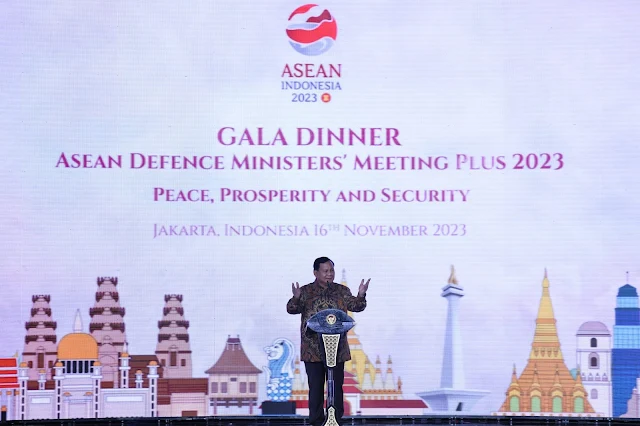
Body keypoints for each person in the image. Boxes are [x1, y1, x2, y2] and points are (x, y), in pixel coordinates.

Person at [287, 256, 370, 426]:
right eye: (325, 271)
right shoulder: (305, 291)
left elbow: (356, 306)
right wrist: (296, 298)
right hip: (313, 350)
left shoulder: (342, 291)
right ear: (315, 273)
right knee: (316, 388)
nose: (329, 274)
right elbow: (291, 309)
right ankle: (316, 422)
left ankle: (335, 421)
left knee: (336, 387)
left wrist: (361, 294)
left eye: (332, 270)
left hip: (336, 349)